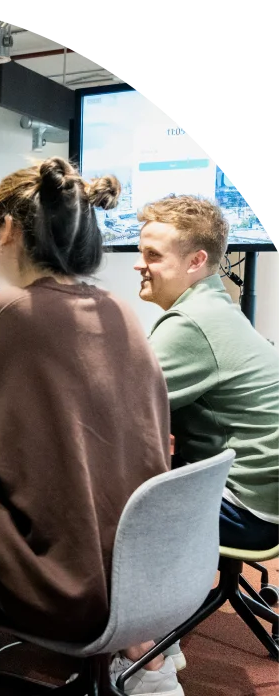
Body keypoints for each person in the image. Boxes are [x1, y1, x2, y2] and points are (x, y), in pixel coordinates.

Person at [0, 157, 184, 696]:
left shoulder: (11, 309)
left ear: (6, 230)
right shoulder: (119, 310)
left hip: (68, 585)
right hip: (141, 572)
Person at [130, 194, 279, 676]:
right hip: (263, 495)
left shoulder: (191, 324)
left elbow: (114, 412)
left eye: (153, 255)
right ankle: (159, 626)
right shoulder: (217, 308)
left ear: (196, 261)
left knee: (104, 501)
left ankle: (144, 655)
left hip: (247, 511)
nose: (139, 264)